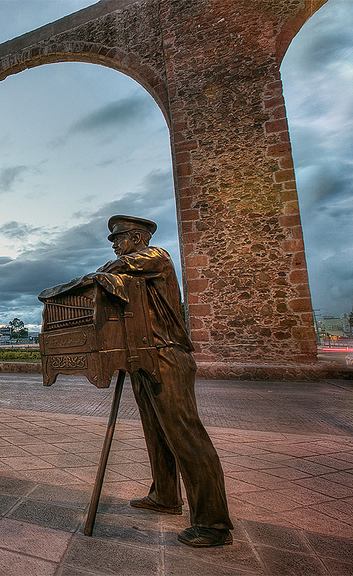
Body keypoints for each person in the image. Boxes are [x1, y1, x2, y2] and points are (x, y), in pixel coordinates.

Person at [97, 215, 233, 547]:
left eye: (120, 238)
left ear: (138, 237)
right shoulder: (134, 271)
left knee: (186, 435)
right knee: (156, 433)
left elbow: (115, 268)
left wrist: (103, 272)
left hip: (167, 355)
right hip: (144, 358)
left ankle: (213, 523)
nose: (115, 245)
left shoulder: (156, 257)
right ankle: (165, 496)